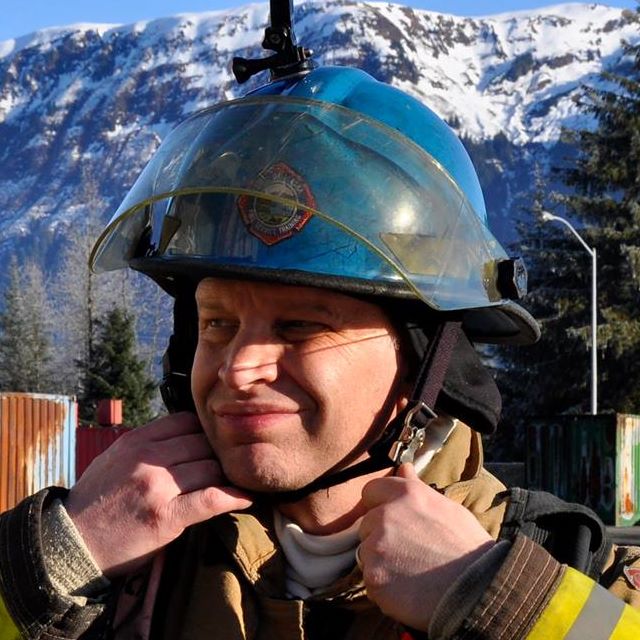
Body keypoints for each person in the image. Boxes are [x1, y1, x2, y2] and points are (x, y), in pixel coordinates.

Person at [1, 56, 640, 640]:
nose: (239, 368)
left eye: (301, 326)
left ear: (423, 362)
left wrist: (494, 601)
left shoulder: (571, 571)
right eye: (216, 323)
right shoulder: (120, 560)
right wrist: (50, 566)